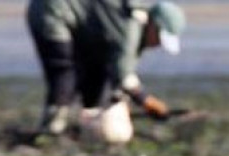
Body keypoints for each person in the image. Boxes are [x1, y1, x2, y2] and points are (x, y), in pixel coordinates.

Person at [27, 0, 186, 136]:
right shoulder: (131, 26)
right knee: (64, 73)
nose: (157, 45)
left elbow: (112, 72)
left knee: (96, 74)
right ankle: (52, 129)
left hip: (80, 25)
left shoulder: (131, 29)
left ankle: (86, 124)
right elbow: (124, 75)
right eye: (158, 38)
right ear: (153, 25)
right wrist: (146, 101)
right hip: (53, 12)